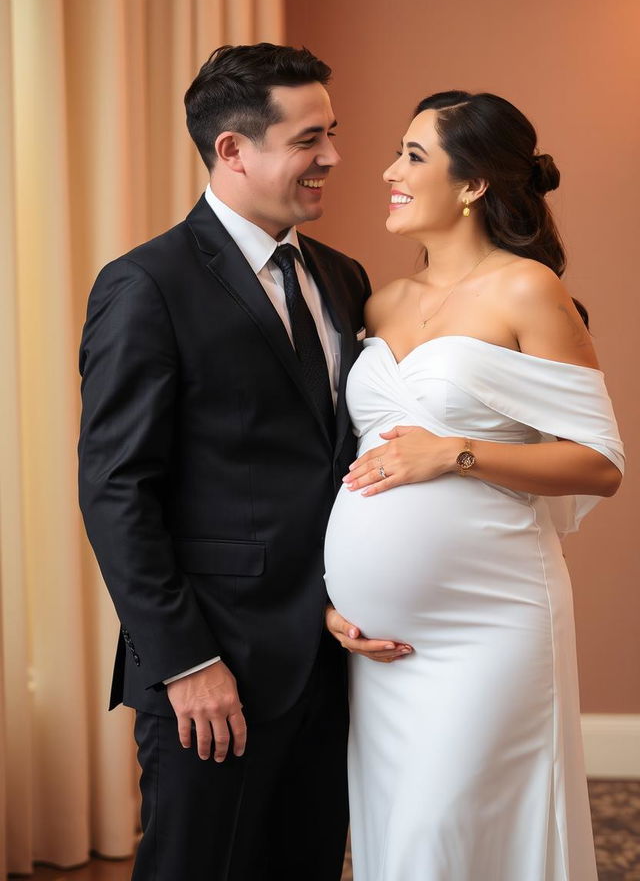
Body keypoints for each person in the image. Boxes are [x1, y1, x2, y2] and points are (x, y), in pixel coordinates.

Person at [78, 43, 373, 881]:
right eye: (309, 138)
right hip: (214, 674)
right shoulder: (146, 284)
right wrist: (186, 663)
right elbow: (115, 490)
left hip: (330, 657)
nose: (334, 158)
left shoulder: (343, 277)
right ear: (233, 150)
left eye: (334, 133)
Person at [324, 91, 624, 881]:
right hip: (380, 652)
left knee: (445, 842)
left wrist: (456, 453)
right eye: (396, 152)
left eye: (413, 157)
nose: (389, 172)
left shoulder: (527, 290)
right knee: (398, 846)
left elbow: (599, 463)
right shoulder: (379, 302)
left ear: (473, 185)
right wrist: (335, 597)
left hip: (490, 628)